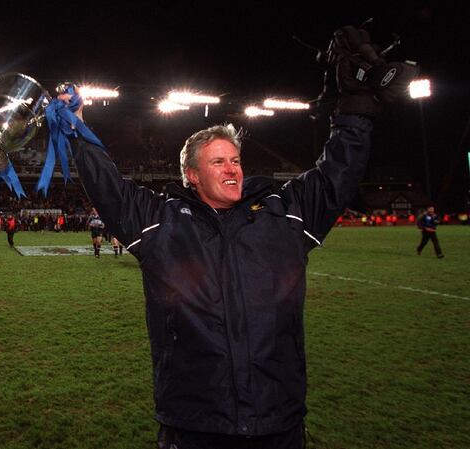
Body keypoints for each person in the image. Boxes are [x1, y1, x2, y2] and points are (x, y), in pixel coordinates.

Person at [61, 25, 413, 449]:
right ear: (190, 175)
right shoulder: (162, 222)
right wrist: (76, 126)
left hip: (277, 420)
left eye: (235, 160)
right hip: (195, 423)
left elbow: (336, 174)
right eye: (217, 162)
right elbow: (109, 188)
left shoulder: (285, 215)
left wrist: (355, 109)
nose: (232, 169)